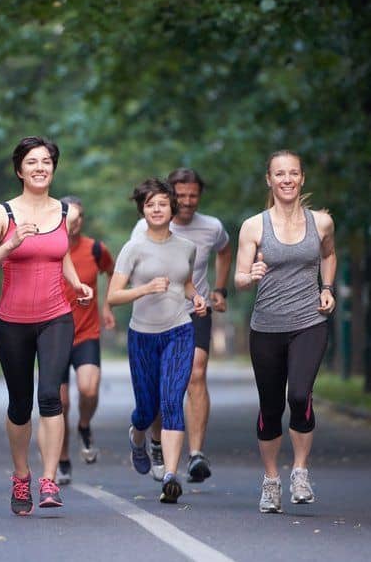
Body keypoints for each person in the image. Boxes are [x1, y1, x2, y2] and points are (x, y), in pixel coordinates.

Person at [0, 136, 94, 516]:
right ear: (19, 170)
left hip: (56, 316)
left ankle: (49, 479)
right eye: (32, 162)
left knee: (51, 397)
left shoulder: (63, 212)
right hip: (13, 321)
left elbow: (59, 255)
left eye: (46, 161)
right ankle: (21, 475)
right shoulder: (2, 214)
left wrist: (75, 283)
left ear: (53, 168)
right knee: (20, 405)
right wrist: (11, 244)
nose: (40, 167)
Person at [233, 150, 336, 514]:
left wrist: (326, 288)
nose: (287, 179)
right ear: (269, 180)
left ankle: (301, 473)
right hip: (266, 327)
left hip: (309, 322)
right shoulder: (253, 226)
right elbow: (240, 278)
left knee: (300, 395)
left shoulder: (321, 222)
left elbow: (328, 254)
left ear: (302, 178)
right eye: (280, 174)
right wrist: (251, 276)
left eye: (293, 173)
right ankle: (272, 480)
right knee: (271, 407)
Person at [108, 178, 207, 504]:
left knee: (171, 401)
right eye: (150, 204)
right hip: (142, 337)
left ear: (171, 208)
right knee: (147, 411)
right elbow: (113, 296)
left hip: (179, 331)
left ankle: (170, 475)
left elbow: (186, 284)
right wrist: (146, 289)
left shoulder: (186, 248)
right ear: (143, 210)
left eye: (162, 203)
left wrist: (198, 299)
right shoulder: (133, 248)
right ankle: (138, 440)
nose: (156, 209)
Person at [131, 168, 230, 482]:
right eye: (181, 195)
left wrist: (219, 289)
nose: (187, 202)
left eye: (193, 195)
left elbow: (225, 251)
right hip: (155, 316)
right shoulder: (145, 226)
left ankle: (196, 454)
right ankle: (157, 442)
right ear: (171, 196)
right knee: (163, 385)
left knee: (196, 371)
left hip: (193, 311)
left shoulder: (211, 227)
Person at [55, 195, 116, 486]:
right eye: (68, 217)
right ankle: (63, 460)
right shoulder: (49, 248)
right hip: (53, 334)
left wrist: (107, 305)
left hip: (86, 332)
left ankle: (84, 425)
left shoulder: (95, 249)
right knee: (61, 402)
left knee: (89, 390)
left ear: (82, 219)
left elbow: (113, 272)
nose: (73, 223)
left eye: (77, 217)